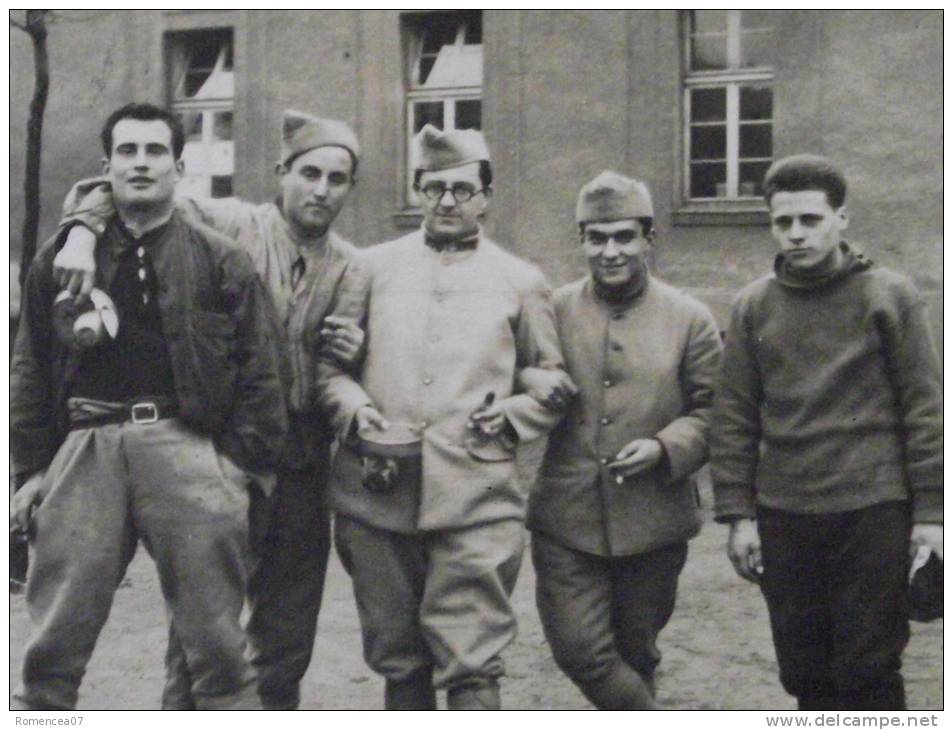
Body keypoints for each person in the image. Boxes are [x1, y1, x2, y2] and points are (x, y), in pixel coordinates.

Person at [54, 109, 365, 710]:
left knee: (286, 626)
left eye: (337, 178)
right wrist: (84, 230)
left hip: (301, 456)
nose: (321, 189)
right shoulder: (230, 222)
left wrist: (355, 350)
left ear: (351, 188)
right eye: (309, 173)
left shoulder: (354, 265)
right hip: (220, 447)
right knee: (205, 621)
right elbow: (128, 192)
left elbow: (341, 369)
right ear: (282, 172)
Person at [10, 102, 287, 710]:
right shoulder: (59, 261)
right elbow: (28, 368)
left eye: (155, 151)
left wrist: (238, 468)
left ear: (178, 167)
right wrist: (29, 472)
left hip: (186, 446)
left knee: (217, 649)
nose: (141, 164)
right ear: (105, 167)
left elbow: (261, 369)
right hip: (85, 449)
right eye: (128, 152)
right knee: (54, 644)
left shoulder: (220, 259)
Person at [316, 124, 566, 710]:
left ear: (485, 196)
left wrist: (514, 418)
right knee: (399, 660)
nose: (447, 202)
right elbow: (329, 370)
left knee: (473, 666)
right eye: (433, 189)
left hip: (477, 499)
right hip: (377, 494)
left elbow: (550, 382)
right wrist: (355, 412)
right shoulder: (368, 269)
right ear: (418, 192)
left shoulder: (521, 281)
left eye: (461, 189)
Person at [710, 154, 943, 710]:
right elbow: (735, 416)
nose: (795, 235)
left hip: (872, 510)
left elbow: (925, 410)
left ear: (841, 218)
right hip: (785, 513)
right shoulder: (752, 306)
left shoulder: (890, 296)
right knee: (805, 672)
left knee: (868, 668)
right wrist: (739, 515)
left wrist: (932, 516)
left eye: (809, 220)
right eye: (782, 222)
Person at [522, 171, 722, 709]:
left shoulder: (690, 319)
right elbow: (517, 372)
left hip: (654, 519)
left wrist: (665, 447)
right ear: (582, 241)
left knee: (636, 649)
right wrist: (531, 381)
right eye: (596, 237)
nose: (610, 251)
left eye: (624, 237)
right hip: (566, 517)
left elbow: (715, 410)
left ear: (648, 239)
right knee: (579, 649)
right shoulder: (552, 309)